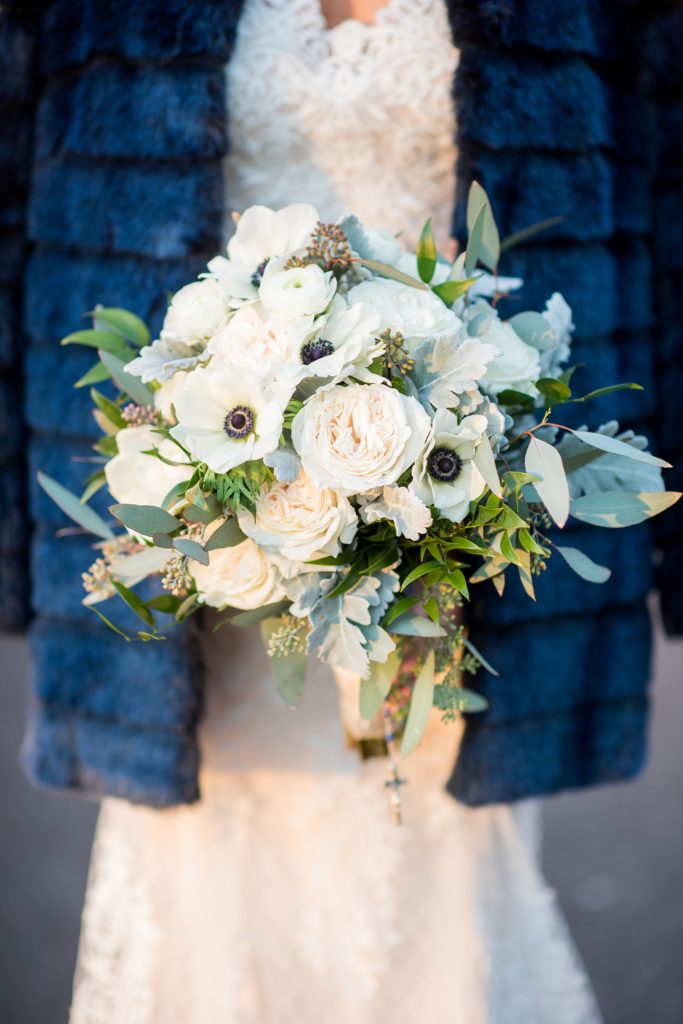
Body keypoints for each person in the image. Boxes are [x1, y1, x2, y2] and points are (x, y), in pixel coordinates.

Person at [5, 0, 682, 1021]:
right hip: (203, 515)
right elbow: (16, 215)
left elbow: (665, 208)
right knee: (202, 879)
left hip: (455, 519)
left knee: (437, 892)